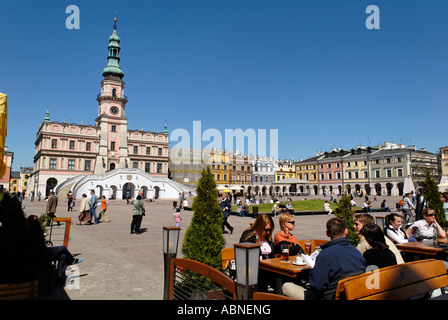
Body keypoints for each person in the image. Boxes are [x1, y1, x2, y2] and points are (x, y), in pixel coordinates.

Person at [282, 218, 366, 300]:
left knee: (286, 286)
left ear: (327, 233)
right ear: (346, 231)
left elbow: (316, 285)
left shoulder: (325, 255)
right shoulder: (356, 252)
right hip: (353, 294)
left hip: (328, 296)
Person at [239, 214, 276, 292]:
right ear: (259, 226)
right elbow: (246, 258)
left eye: (270, 229)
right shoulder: (249, 236)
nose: (268, 232)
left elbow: (273, 254)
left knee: (283, 278)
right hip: (253, 273)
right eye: (266, 230)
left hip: (267, 270)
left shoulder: (267, 237)